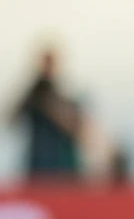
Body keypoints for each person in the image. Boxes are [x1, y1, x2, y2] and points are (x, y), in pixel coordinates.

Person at [9, 46, 84, 182]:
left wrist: (51, 105)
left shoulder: (65, 98)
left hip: (63, 168)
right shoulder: (33, 95)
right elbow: (12, 118)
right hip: (38, 167)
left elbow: (76, 126)